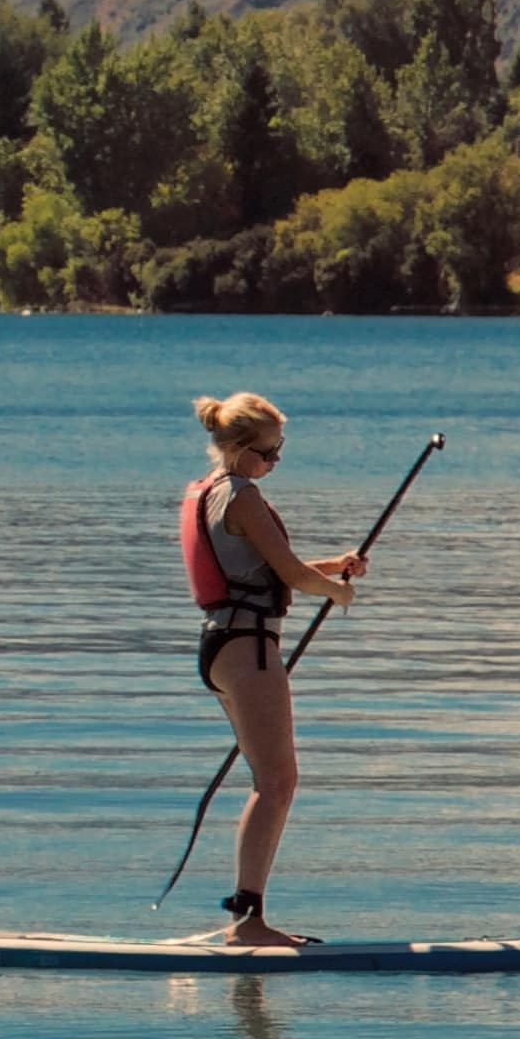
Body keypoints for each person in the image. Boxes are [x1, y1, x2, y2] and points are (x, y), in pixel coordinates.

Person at [180, 388, 370, 950]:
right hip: (249, 649)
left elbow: (259, 569)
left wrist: (331, 567)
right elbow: (287, 573)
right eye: (268, 452)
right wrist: (337, 592)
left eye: (279, 450)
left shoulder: (210, 493)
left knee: (272, 781)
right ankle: (249, 923)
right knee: (277, 782)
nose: (275, 462)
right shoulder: (244, 497)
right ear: (238, 449)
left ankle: (249, 917)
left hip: (222, 647)